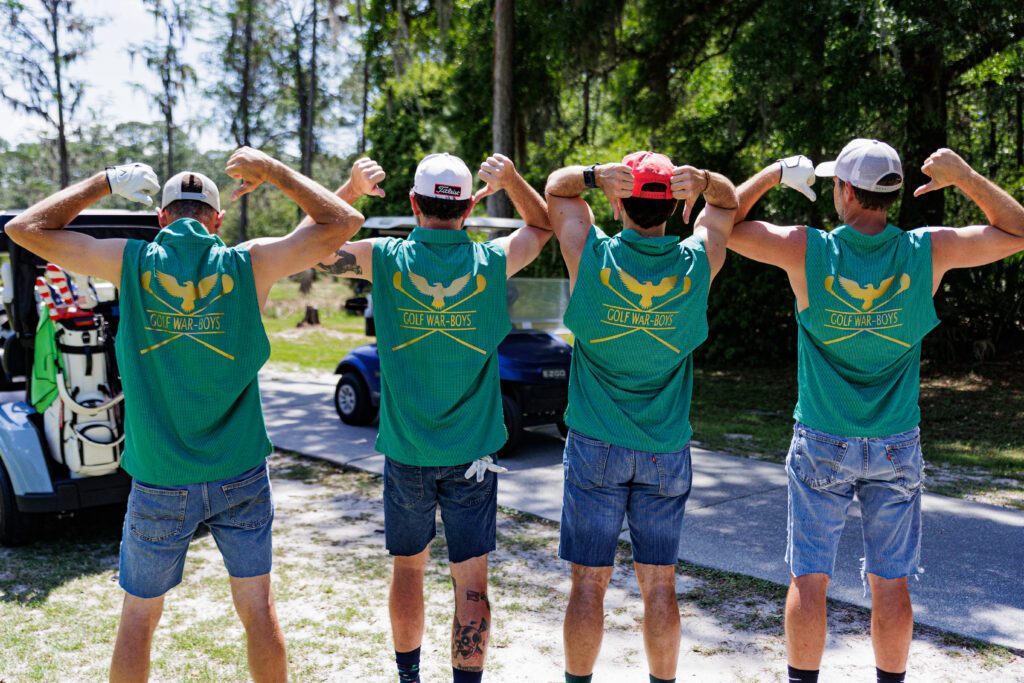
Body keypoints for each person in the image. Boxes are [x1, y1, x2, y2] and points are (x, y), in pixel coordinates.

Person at [5, 147, 370, 682]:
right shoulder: (248, 263)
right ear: (217, 221)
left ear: (161, 219)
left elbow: (24, 227)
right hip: (240, 472)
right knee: (258, 612)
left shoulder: (131, 262)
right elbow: (342, 223)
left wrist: (105, 181)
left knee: (138, 620)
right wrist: (271, 172)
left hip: (160, 479)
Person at [728, 141, 1024, 683]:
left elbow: (720, 222)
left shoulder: (806, 249)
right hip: (896, 444)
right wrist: (964, 177)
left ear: (843, 190)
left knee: (809, 579)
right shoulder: (926, 250)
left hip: (821, 438)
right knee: (891, 582)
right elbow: (1018, 230)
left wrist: (774, 174)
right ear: (892, 194)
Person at [314, 152, 551, 683]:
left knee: (408, 572)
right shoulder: (489, 262)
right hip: (473, 455)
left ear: (414, 205)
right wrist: (512, 179)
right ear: (467, 208)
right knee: (472, 582)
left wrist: (349, 191)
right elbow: (541, 226)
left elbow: (311, 249)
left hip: (408, 454)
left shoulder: (385, 258)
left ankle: (408, 678)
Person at [545, 152, 737, 683]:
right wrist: (705, 182)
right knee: (660, 585)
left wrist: (591, 177)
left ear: (616, 200)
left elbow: (557, 194)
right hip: (665, 450)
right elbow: (728, 207)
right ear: (674, 207)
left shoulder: (590, 253)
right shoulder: (696, 262)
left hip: (594, 445)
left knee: (588, 585)